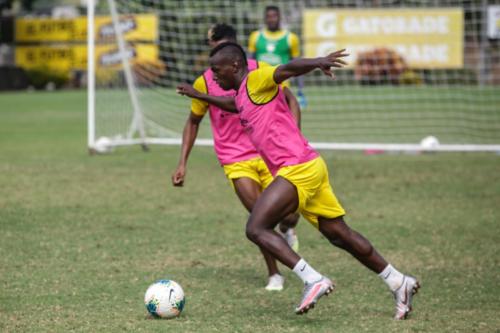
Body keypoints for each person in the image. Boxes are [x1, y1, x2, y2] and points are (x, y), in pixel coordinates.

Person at [176, 42, 420, 319]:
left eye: (217, 71)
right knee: (339, 234)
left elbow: (286, 70)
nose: (214, 77)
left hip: (297, 167)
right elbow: (233, 104)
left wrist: (317, 61)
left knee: (256, 227)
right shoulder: (243, 94)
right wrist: (199, 95)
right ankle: (399, 281)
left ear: (234, 66)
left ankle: (313, 279)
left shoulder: (256, 78)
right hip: (309, 165)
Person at [172, 24, 301, 291]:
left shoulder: (260, 69)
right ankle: (274, 274)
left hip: (270, 153)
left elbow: (290, 100)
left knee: (290, 213)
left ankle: (289, 229)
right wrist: (182, 162)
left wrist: (294, 137)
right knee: (259, 217)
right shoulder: (205, 81)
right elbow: (193, 121)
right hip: (235, 158)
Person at [248, 5, 307, 109]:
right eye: (268, 16)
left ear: (279, 17)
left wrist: (300, 90)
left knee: (282, 121)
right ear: (265, 19)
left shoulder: (291, 38)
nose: (271, 19)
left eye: (274, 16)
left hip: (282, 86)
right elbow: (249, 63)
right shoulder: (255, 36)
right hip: (260, 86)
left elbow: (297, 65)